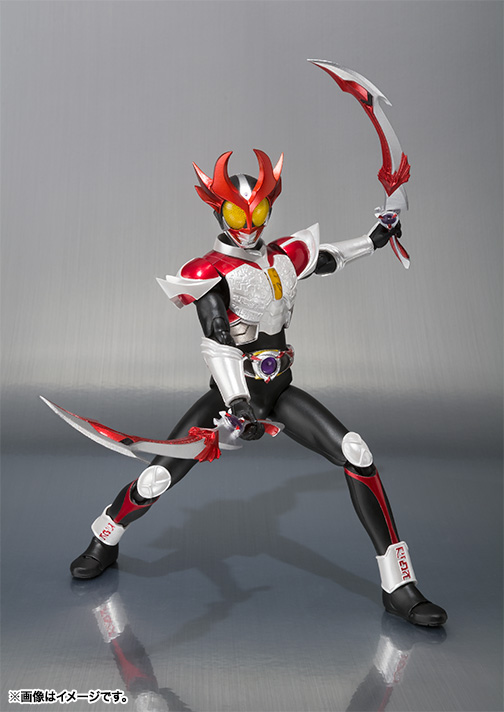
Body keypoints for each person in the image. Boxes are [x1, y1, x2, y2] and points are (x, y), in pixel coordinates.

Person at [70, 149, 447, 627]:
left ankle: (399, 585)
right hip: (231, 399)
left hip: (280, 393)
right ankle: (104, 538)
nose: (248, 224)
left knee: (357, 452)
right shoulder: (209, 271)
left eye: (258, 211)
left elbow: (328, 257)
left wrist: (377, 236)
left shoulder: (284, 255)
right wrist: (237, 403)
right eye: (236, 214)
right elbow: (217, 340)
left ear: (270, 207)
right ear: (218, 211)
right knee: (155, 480)